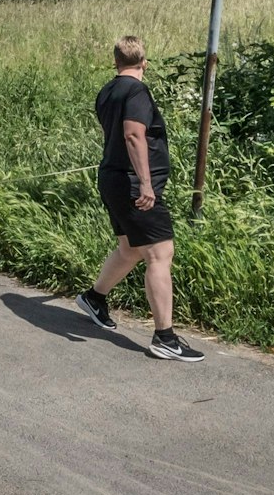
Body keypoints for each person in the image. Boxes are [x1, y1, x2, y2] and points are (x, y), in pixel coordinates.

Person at [75, 35, 205, 361]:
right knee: (160, 253)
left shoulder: (107, 91)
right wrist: (146, 184)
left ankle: (94, 298)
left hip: (113, 178)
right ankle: (164, 338)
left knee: (130, 248)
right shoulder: (136, 91)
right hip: (133, 185)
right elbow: (133, 135)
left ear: (116, 62)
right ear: (144, 63)